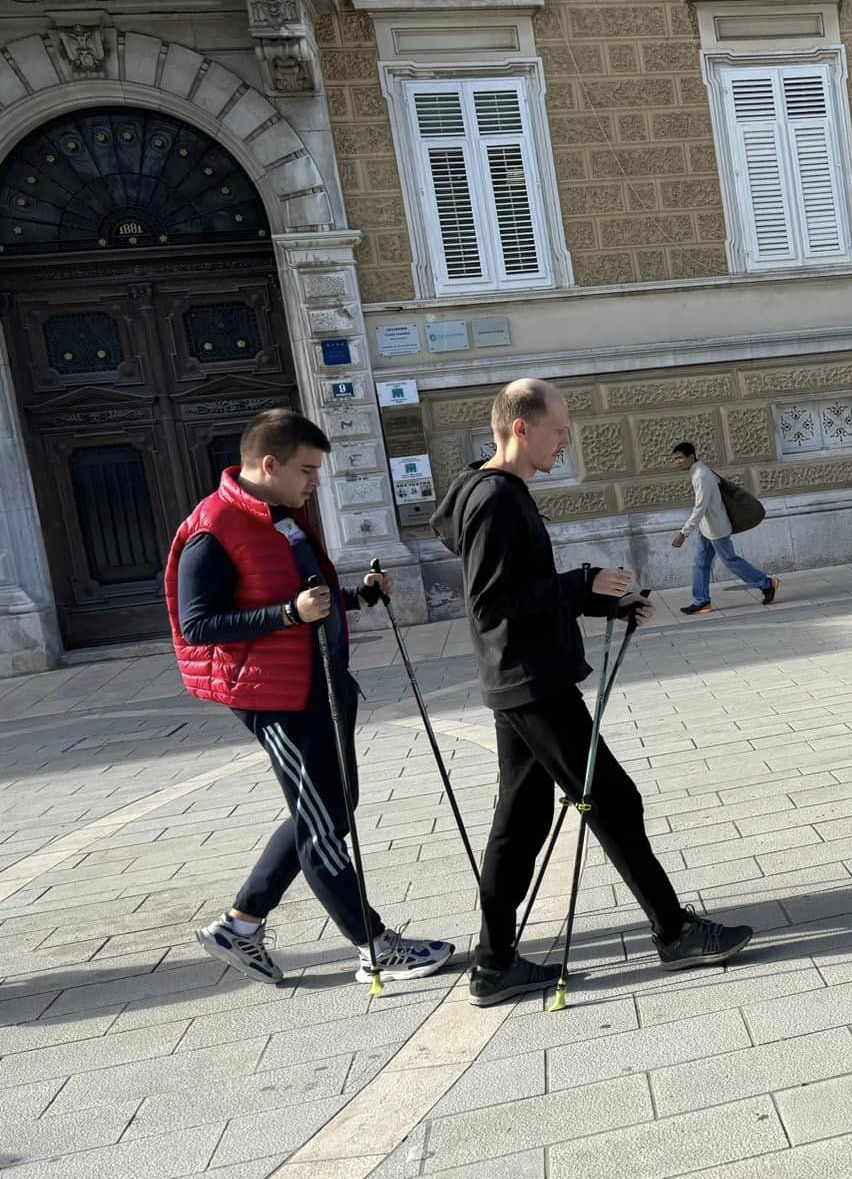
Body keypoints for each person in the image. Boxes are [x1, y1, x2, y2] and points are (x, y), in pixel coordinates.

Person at [434, 380, 753, 1006]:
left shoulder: (485, 489)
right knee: (611, 798)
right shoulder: (497, 499)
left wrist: (599, 602)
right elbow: (491, 602)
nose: (567, 439)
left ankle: (494, 963)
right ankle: (674, 932)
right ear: (521, 428)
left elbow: (521, 590)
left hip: (519, 676)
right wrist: (582, 580)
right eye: (559, 428)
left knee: (519, 822)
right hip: (533, 680)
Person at [171, 409, 454, 988]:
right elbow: (197, 625)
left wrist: (357, 597)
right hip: (273, 695)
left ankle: (241, 923)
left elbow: (302, 594)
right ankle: (373, 945)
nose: (314, 483)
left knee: (329, 809)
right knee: (322, 821)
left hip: (321, 680)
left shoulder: (282, 517)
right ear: (268, 464)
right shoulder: (213, 527)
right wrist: (286, 616)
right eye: (306, 470)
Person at [670, 441, 779, 615]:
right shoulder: (697, 472)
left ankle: (766, 583)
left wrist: (683, 533)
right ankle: (702, 601)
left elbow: (700, 507)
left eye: (680, 458)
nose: (678, 462)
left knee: (730, 561)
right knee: (700, 564)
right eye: (675, 459)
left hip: (716, 528)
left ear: (691, 456)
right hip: (707, 528)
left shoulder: (701, 475)